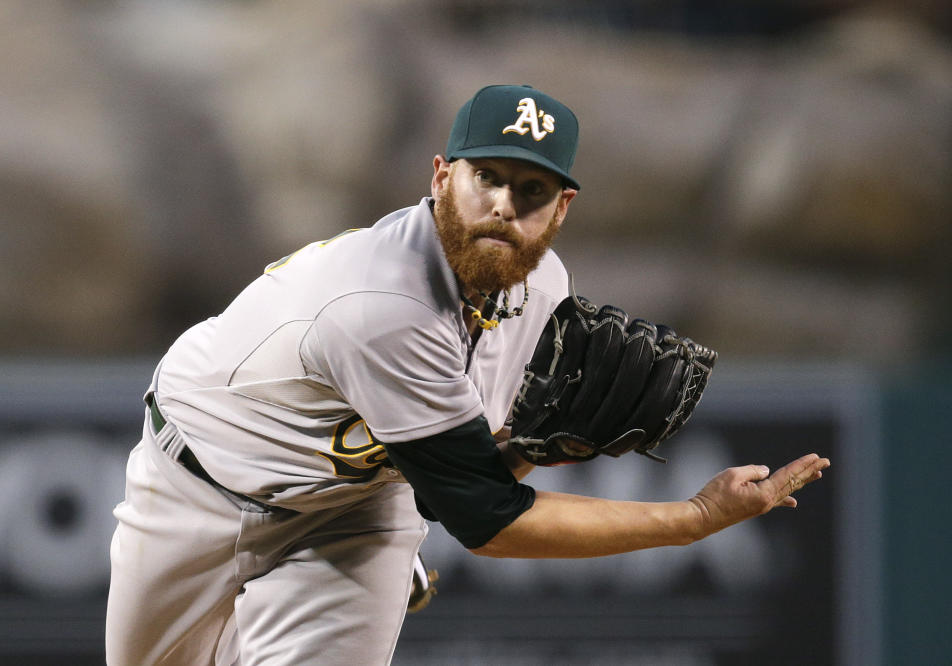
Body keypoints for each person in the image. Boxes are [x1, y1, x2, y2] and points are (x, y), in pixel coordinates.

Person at [105, 84, 830, 665]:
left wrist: (530, 452)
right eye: (487, 177)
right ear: (442, 176)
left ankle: (370, 568)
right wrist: (694, 520)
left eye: (532, 192)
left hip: (358, 508)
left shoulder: (540, 286)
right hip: (199, 480)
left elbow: (486, 463)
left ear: (561, 209)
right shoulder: (382, 304)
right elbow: (489, 522)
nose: (504, 207)